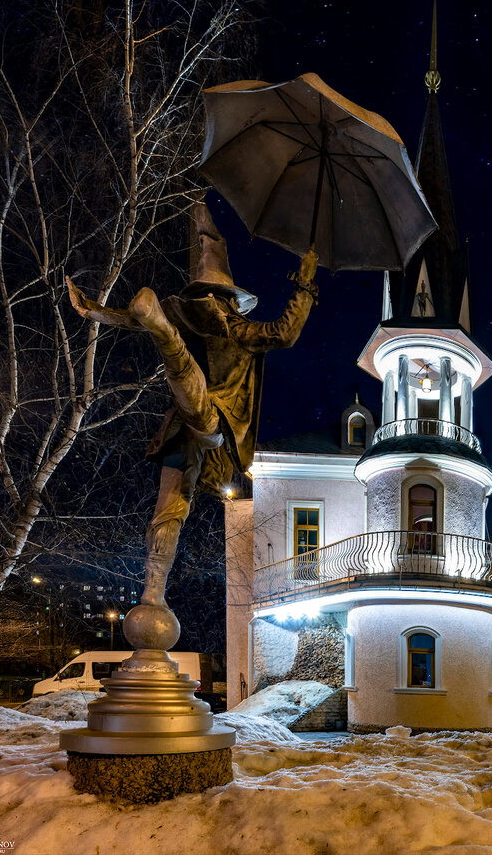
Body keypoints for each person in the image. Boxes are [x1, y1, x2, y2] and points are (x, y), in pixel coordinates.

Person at [67, 203, 318, 609]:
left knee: (169, 510)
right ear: (230, 299)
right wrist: (305, 283)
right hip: (213, 427)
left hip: (179, 432)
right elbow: (286, 333)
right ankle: (165, 336)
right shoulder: (237, 328)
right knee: (198, 403)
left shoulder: (190, 318)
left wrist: (94, 310)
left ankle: (153, 590)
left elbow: (130, 320)